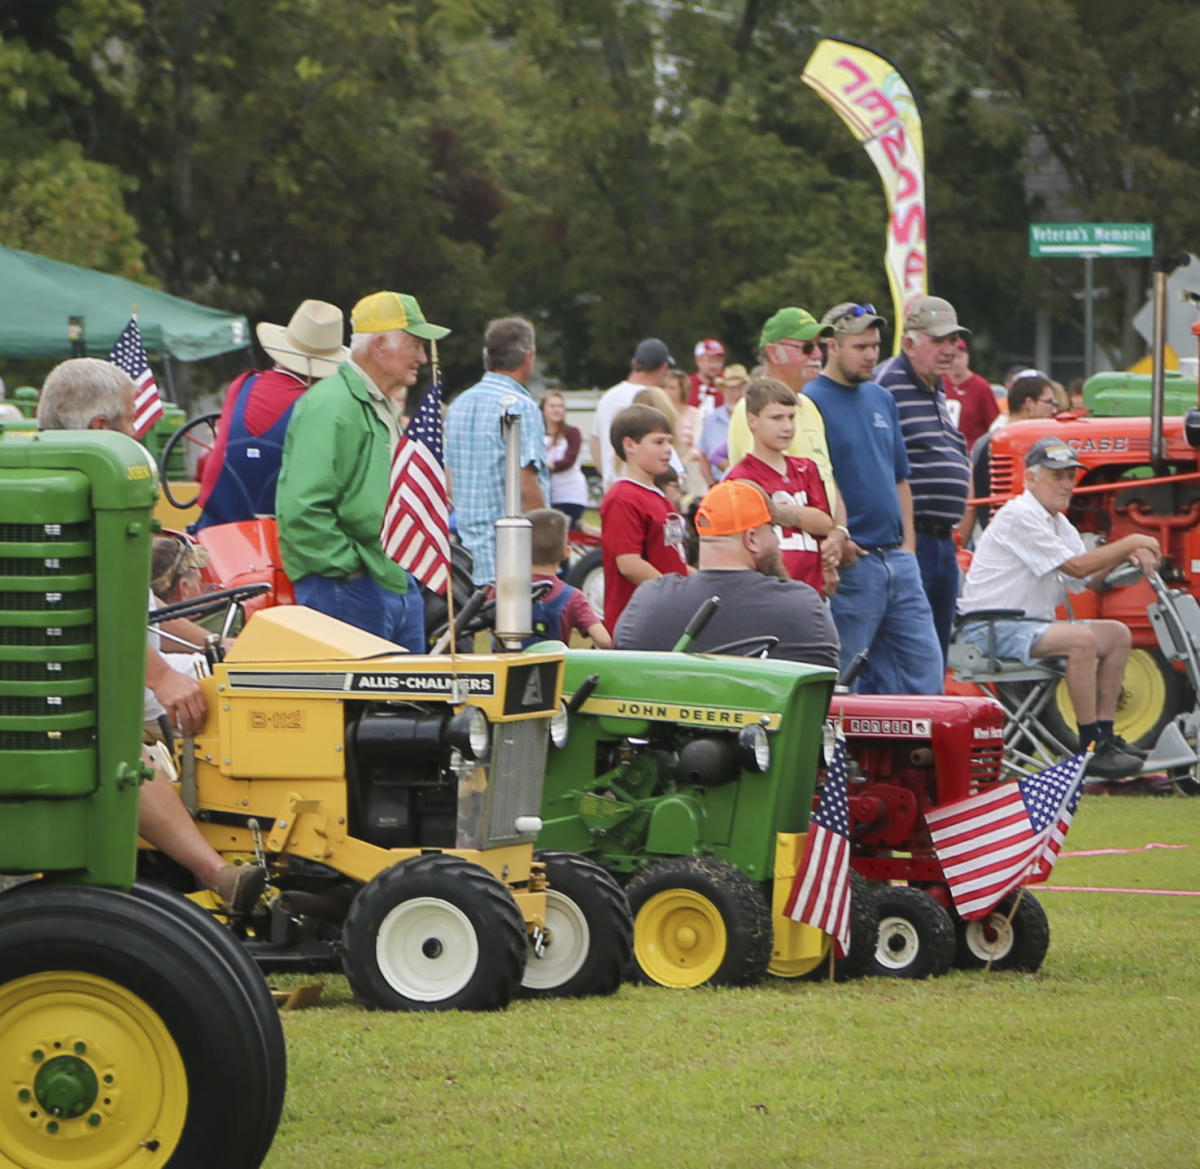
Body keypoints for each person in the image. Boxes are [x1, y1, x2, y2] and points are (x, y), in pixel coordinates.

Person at [36, 357, 265, 912]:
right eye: (131, 420)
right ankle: (219, 872)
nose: (139, 433)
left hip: (123, 663)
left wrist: (211, 645)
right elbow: (92, 613)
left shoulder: (88, 482)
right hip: (80, 685)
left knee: (255, 673)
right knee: (121, 745)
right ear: (101, 428)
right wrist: (162, 676)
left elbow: (138, 608)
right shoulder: (59, 498)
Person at [957, 436, 1162, 778]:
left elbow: (1088, 579)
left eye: (1070, 475)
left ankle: (1106, 736)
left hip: (1026, 625)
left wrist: (1126, 557)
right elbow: (1077, 567)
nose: (1067, 483)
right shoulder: (1019, 515)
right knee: (1080, 641)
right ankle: (1089, 746)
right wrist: (1132, 541)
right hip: (988, 627)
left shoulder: (1058, 522)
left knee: (1118, 634)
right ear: (1031, 478)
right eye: (1057, 475)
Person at [277, 290, 446, 651]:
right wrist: (350, 569)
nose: (422, 357)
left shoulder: (375, 403)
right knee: (360, 690)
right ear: (380, 345)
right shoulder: (330, 404)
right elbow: (301, 508)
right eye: (415, 345)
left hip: (387, 577)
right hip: (351, 584)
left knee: (410, 688)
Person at [805, 306, 944, 694]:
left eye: (875, 346)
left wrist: (909, 548)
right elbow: (814, 481)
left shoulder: (882, 398)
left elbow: (900, 479)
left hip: (897, 559)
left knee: (926, 674)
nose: (871, 355)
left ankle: (915, 740)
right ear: (832, 346)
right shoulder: (809, 402)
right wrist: (841, 542)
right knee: (841, 678)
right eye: (860, 347)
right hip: (853, 562)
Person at [614, 479, 840, 669]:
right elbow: (824, 686)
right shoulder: (802, 607)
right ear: (752, 539)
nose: (776, 541)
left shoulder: (648, 602)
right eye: (772, 530)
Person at [873, 296, 971, 673]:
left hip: (942, 540)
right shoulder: (886, 384)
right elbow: (875, 462)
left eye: (953, 341)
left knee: (936, 654)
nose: (949, 350)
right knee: (907, 655)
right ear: (910, 343)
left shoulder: (936, 387)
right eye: (938, 340)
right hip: (911, 540)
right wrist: (904, 544)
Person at [195, 299, 349, 529]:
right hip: (286, 534)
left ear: (280, 353)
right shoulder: (321, 403)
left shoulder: (242, 384)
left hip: (218, 526)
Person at [445, 316, 548, 585]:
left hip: (466, 554)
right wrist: (545, 547)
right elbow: (527, 484)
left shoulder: (458, 405)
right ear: (528, 356)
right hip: (511, 553)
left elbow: (449, 480)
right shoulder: (520, 406)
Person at [725, 377, 832, 594]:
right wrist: (803, 517)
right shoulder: (740, 477)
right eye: (777, 418)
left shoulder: (806, 468)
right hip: (768, 592)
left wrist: (773, 511)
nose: (787, 427)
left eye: (791, 417)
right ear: (753, 421)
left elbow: (823, 522)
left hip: (812, 590)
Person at [599, 404, 689, 632]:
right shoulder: (623, 497)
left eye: (669, 442)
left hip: (667, 617)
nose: (668, 450)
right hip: (640, 623)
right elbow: (629, 564)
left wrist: (700, 583)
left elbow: (671, 559)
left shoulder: (658, 496)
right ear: (629, 445)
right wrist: (673, 595)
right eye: (658, 442)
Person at [958, 372, 1058, 543]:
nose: (1054, 410)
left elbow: (971, 503)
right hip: (1024, 539)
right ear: (1029, 404)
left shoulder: (983, 442)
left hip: (993, 538)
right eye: (1049, 402)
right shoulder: (1035, 444)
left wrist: (960, 546)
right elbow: (972, 502)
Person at [589, 338, 674, 493]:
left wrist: (608, 474)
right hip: (644, 487)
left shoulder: (608, 396)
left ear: (635, 363)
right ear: (664, 367)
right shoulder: (651, 397)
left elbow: (595, 442)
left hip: (613, 486)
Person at [526, 508, 611, 647]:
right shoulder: (573, 597)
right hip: (554, 661)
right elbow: (604, 640)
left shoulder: (501, 590)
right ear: (566, 552)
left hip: (504, 661)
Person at [540, 391, 588, 529]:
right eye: (552, 406)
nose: (556, 410)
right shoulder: (538, 434)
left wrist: (549, 466)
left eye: (560, 406)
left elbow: (569, 459)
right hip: (547, 493)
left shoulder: (571, 432)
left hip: (569, 493)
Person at [943, 336, 999, 453]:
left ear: (967, 357)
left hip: (972, 451)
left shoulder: (981, 387)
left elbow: (994, 424)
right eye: (953, 357)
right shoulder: (939, 384)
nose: (957, 362)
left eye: (960, 357)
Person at [697, 363, 749, 484]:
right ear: (723, 391)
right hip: (719, 483)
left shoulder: (754, 417)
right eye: (731, 389)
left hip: (751, 482)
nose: (736, 395)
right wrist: (711, 485)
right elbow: (703, 456)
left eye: (740, 389)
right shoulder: (712, 419)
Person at [688, 338, 726, 414]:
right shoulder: (687, 384)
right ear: (698, 361)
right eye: (710, 360)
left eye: (718, 361)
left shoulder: (728, 384)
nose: (714, 365)